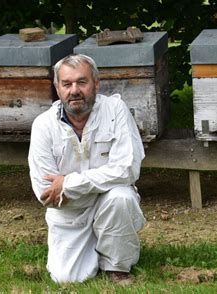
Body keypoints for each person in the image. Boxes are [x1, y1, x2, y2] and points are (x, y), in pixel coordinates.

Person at [28, 53, 146, 285]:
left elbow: (127, 169)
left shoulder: (115, 110)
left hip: (108, 202)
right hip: (70, 212)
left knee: (120, 197)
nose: (74, 90)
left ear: (96, 83)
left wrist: (68, 183)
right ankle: (95, 249)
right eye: (67, 84)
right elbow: (45, 191)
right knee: (67, 278)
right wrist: (97, 182)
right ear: (57, 87)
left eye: (82, 82)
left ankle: (117, 265)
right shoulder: (43, 125)